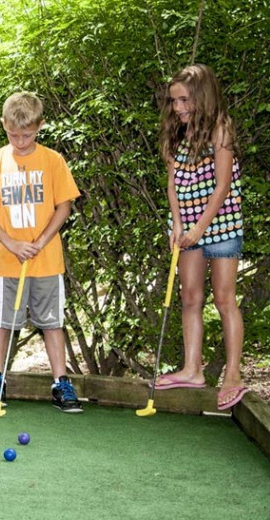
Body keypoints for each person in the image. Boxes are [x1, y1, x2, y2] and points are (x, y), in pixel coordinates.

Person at [0, 92, 83, 413]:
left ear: (40, 126)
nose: (19, 140)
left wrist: (42, 240)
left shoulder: (52, 160)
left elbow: (64, 205)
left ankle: (61, 383)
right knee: (2, 321)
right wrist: (10, 242)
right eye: (13, 134)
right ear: (3, 125)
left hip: (46, 261)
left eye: (27, 135)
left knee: (52, 322)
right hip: (7, 261)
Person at [155, 64, 245, 410]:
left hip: (220, 225)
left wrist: (198, 229)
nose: (178, 108)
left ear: (202, 97)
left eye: (184, 100)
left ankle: (234, 374)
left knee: (224, 298)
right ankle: (193, 369)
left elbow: (222, 187)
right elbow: (173, 183)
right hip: (188, 226)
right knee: (189, 296)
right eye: (174, 101)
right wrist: (178, 224)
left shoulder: (220, 129)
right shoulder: (177, 133)